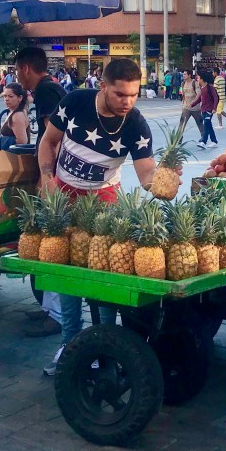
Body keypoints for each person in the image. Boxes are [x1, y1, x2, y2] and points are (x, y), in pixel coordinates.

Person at [38, 58, 160, 375]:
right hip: (63, 194)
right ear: (104, 86)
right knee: (68, 271)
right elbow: (48, 142)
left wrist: (160, 185)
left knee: (105, 270)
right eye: (121, 94)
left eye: (133, 95)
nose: (128, 102)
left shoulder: (136, 124)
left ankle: (105, 345)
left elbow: (146, 173)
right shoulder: (76, 101)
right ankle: (70, 345)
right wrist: (47, 177)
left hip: (105, 200)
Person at [14, 46, 68, 339]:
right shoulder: (55, 88)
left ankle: (57, 314)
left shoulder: (46, 91)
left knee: (52, 244)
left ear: (25, 68)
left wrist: (48, 177)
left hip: (55, 180)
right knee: (50, 244)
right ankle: (50, 308)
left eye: (16, 70)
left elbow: (54, 139)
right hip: (59, 176)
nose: (16, 77)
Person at [0, 83, 30, 151]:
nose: (6, 99)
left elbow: (22, 141)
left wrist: (2, 140)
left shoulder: (17, 115)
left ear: (20, 98)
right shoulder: (14, 112)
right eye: (5, 96)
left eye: (10, 96)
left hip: (14, 158)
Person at [192, 71, 219, 150]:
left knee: (206, 124)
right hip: (203, 109)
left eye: (199, 77)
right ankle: (214, 141)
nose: (197, 79)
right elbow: (200, 98)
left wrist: (214, 108)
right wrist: (192, 104)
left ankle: (204, 141)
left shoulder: (210, 87)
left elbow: (216, 97)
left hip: (209, 109)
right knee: (209, 125)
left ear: (202, 79)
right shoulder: (202, 88)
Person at [179, 69, 204, 138]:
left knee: (200, 123)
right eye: (183, 74)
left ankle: (203, 137)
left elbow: (199, 94)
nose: (184, 76)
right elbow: (183, 95)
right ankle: (178, 139)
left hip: (195, 108)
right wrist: (183, 104)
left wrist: (194, 102)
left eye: (185, 74)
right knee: (182, 123)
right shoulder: (183, 83)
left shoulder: (195, 83)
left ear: (189, 75)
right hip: (186, 107)